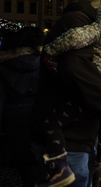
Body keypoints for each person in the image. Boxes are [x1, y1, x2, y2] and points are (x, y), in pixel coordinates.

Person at [29, 0, 101, 187]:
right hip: (67, 140)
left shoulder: (94, 26)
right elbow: (76, 69)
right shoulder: (79, 21)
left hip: (79, 137)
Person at [0, 27, 45, 186]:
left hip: (13, 121)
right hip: (40, 117)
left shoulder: (4, 65)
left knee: (26, 166)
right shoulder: (45, 63)